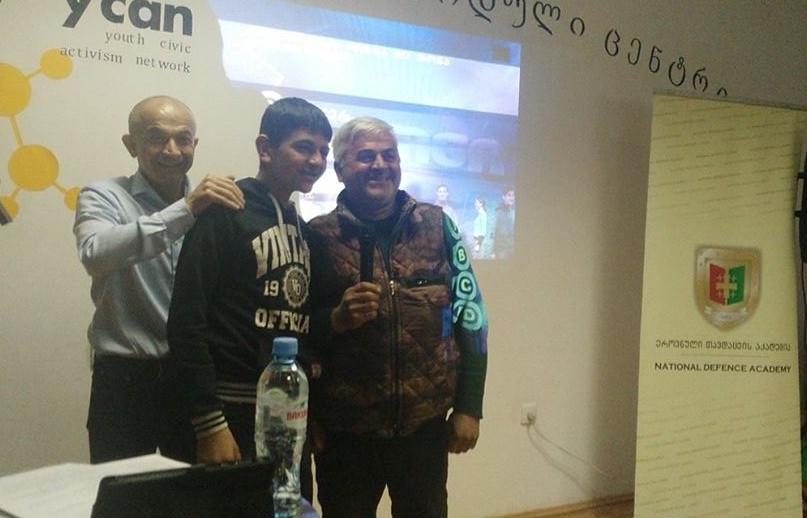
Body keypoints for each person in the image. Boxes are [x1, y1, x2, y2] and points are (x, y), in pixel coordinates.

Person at [307, 116, 488, 517]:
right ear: (340, 169)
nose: (380, 165)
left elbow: (472, 317)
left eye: (389, 155)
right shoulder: (316, 236)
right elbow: (299, 330)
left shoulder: (438, 226)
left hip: (424, 428)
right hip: (345, 433)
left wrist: (469, 406)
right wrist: (336, 319)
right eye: (366, 156)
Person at [166, 97, 331, 482]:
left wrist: (312, 414)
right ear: (265, 148)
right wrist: (210, 423)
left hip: (288, 412)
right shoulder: (225, 211)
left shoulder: (305, 232)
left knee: (292, 506)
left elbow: (304, 328)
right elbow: (186, 320)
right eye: (304, 147)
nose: (316, 160)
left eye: (324, 151)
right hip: (229, 412)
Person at [73, 95, 245, 464]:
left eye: (183, 139)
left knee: (193, 489)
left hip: (193, 378)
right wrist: (186, 210)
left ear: (195, 144)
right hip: (123, 378)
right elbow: (95, 253)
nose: (172, 150)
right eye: (156, 138)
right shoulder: (104, 194)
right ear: (131, 144)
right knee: (121, 489)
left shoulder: (214, 205)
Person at [491, 187, 515, 259]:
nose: (512, 198)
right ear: (503, 197)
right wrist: (493, 251)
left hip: (513, 249)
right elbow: (493, 231)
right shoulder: (498, 211)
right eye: (509, 195)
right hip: (502, 250)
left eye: (513, 195)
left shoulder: (513, 210)